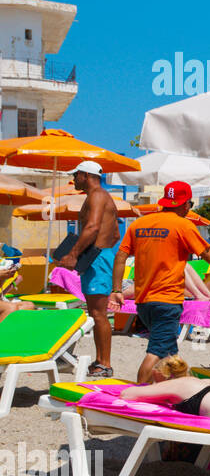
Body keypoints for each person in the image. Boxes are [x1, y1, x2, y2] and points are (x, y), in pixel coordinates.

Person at [111, 181, 210, 383]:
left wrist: (117, 289)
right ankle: (138, 394)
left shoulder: (139, 224)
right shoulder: (183, 225)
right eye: (190, 205)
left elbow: (120, 257)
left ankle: (180, 388)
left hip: (143, 302)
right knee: (156, 351)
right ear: (185, 204)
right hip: (166, 300)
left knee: (170, 353)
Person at [57, 162, 121, 377]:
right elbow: (115, 235)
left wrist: (74, 255)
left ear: (85, 175)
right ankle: (101, 361)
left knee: (98, 313)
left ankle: (105, 364)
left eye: (76, 175)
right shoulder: (100, 196)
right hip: (98, 257)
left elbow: (93, 227)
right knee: (96, 312)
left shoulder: (96, 195)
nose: (74, 179)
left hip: (97, 259)